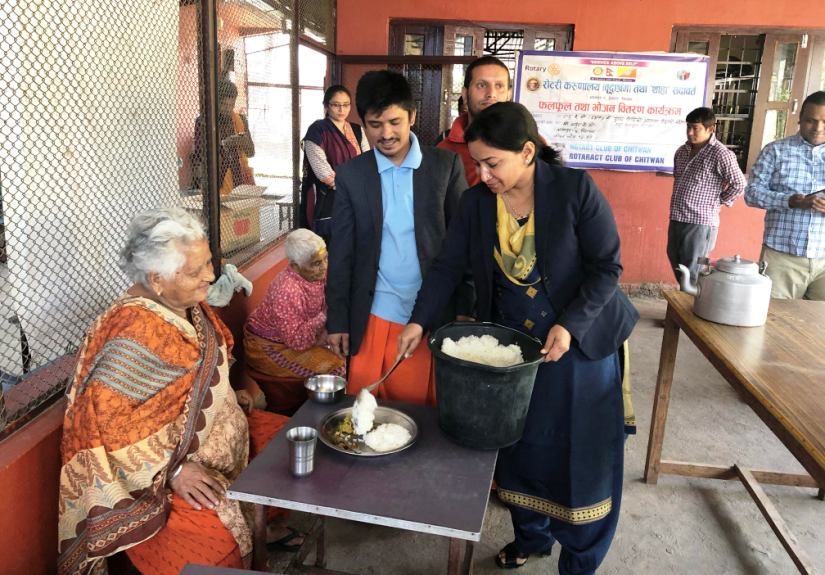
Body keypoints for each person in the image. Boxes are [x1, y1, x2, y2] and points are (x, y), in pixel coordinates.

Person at [397, 102, 639, 574]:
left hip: (580, 344)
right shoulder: (476, 204)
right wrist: (418, 322)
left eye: (493, 163)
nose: (484, 174)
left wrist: (570, 325)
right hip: (514, 348)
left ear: (528, 151)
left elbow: (607, 267)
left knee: (579, 453)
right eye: (477, 163)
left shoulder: (574, 190)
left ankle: (581, 559)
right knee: (522, 444)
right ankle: (532, 536)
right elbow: (448, 268)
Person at [57, 208, 296, 575]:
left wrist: (229, 397)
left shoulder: (182, 302)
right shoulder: (131, 335)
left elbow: (199, 376)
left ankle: (262, 526)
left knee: (291, 446)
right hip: (164, 474)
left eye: (209, 263)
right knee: (216, 546)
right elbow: (102, 428)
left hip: (224, 443)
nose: (211, 275)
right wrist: (177, 470)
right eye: (197, 270)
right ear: (157, 279)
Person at [325, 70, 469, 406]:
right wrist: (337, 319)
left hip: (431, 314)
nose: (386, 134)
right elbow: (342, 250)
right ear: (363, 123)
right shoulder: (352, 175)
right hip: (375, 312)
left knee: (424, 414)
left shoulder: (445, 167)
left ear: (412, 117)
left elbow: (463, 244)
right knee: (365, 410)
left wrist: (465, 309)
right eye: (376, 124)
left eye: (395, 122)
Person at [244, 229, 344, 410]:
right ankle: (313, 410)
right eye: (316, 263)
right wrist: (327, 314)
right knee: (336, 367)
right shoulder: (288, 290)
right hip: (269, 349)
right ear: (295, 266)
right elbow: (296, 341)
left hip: (298, 338)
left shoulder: (316, 274)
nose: (324, 267)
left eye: (325, 259)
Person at [745, 90, 825, 300]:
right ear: (799, 119)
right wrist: (790, 201)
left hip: (824, 259)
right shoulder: (776, 151)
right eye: (811, 120)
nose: (818, 128)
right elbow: (752, 193)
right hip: (781, 257)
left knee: (819, 328)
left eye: (824, 121)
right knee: (775, 322)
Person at [668, 107, 746, 284]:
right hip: (677, 216)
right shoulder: (682, 151)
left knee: (693, 269)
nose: (690, 132)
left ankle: (696, 305)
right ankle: (685, 302)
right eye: (688, 127)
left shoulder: (721, 154)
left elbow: (739, 184)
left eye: (695, 128)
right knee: (676, 261)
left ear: (710, 129)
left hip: (700, 221)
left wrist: (718, 201)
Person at [300, 85, 369, 241]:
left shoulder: (357, 130)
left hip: (355, 196)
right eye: (336, 105)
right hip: (328, 197)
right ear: (326, 106)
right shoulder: (317, 131)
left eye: (346, 105)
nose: (341, 109)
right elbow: (322, 172)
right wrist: (348, 187)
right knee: (328, 244)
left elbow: (366, 162)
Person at [438, 55, 512, 186]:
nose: (491, 93)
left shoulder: (527, 143)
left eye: (499, 86)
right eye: (482, 85)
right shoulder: (444, 151)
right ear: (465, 95)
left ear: (509, 95)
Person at [193, 79, 256, 196]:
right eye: (224, 104)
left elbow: (251, 153)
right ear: (216, 102)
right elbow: (199, 153)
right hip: (217, 182)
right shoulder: (203, 121)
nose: (228, 109)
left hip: (240, 181)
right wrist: (224, 144)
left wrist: (244, 142)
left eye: (231, 105)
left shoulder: (240, 120)